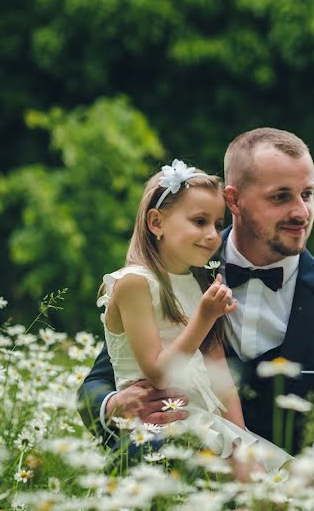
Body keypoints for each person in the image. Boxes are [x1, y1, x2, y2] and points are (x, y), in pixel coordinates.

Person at [77, 128, 314, 466]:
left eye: (307, 194)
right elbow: (103, 378)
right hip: (166, 481)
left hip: (282, 494)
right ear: (234, 200)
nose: (301, 212)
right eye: (280, 197)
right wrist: (112, 407)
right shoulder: (174, 271)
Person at [95, 159, 289, 474]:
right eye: (199, 222)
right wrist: (205, 317)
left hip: (208, 422)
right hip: (164, 426)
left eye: (217, 223)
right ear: (156, 223)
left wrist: (243, 437)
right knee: (261, 496)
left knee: (287, 479)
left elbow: (220, 377)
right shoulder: (134, 283)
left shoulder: (200, 284)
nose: (213, 235)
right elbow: (157, 373)